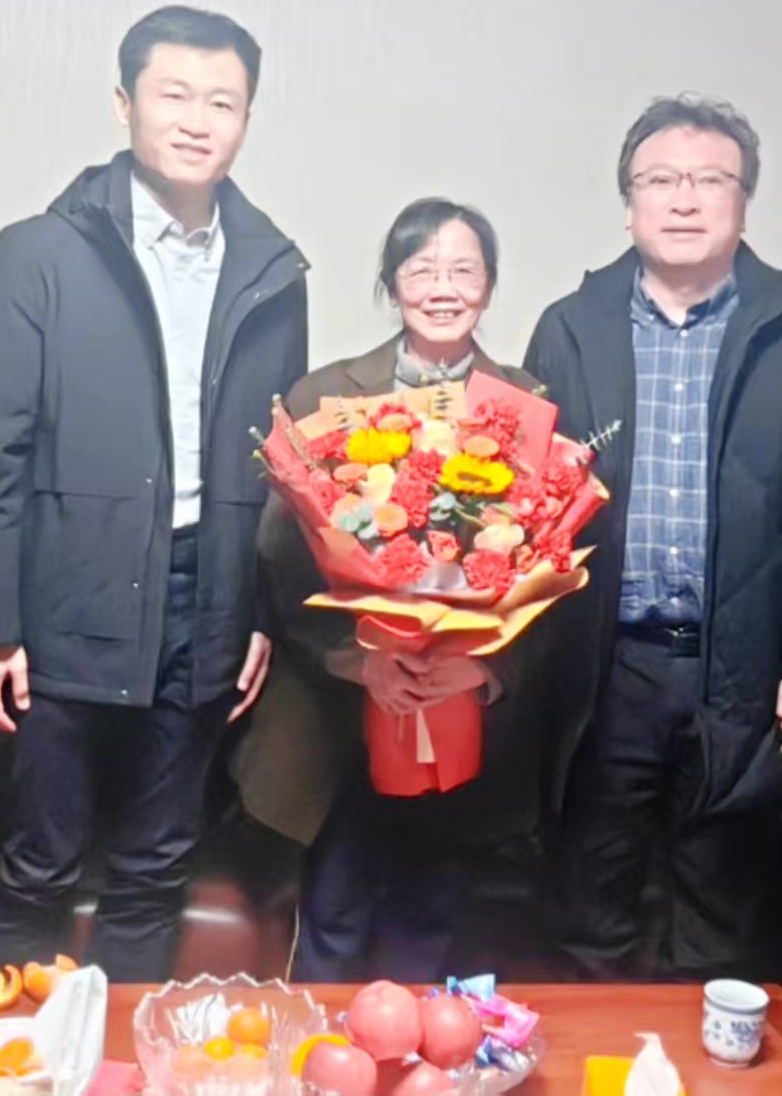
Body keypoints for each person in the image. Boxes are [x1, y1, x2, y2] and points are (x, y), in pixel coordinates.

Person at [0, 6, 308, 979]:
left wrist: (258, 610)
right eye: (173, 94)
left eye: (222, 101)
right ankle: (14, 1055)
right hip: (65, 591)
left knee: (157, 867)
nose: (197, 119)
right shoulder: (36, 254)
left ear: (246, 119)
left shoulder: (272, 270)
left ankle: (116, 1054)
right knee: (40, 862)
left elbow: (283, 466)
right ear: (124, 103)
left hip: (206, 596)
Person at [524, 93, 782, 981]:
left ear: (744, 200)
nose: (684, 199)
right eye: (661, 180)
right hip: (607, 667)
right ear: (629, 203)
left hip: (745, 674)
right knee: (588, 912)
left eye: (709, 180)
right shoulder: (571, 328)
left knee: (720, 923)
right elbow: (524, 504)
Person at [236, 198, 546, 980]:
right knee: (334, 913)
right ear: (391, 281)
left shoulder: (526, 404)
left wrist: (480, 666)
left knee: (430, 915)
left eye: (464, 270)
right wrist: (359, 658)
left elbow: (553, 572)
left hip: (463, 715)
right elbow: (280, 558)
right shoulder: (324, 395)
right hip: (340, 716)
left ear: (489, 285)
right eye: (422, 268)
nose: (443, 287)